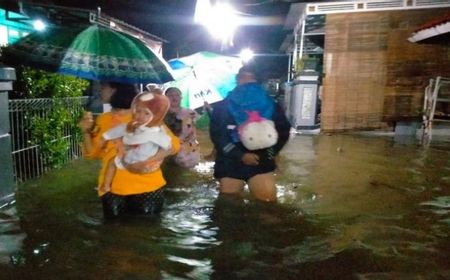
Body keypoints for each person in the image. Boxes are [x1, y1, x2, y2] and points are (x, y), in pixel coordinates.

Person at [79, 82, 180, 218]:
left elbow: (173, 146)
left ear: (115, 90)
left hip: (146, 186)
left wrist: (146, 161)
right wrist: (86, 131)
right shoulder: (104, 119)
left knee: (134, 232)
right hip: (114, 187)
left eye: (104, 87)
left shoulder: (147, 117)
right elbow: (93, 154)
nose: (100, 91)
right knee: (122, 230)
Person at [209, 65, 291, 202]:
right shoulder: (223, 107)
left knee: (266, 203)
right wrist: (240, 155)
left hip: (259, 162)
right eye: (243, 78)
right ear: (237, 80)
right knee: (230, 203)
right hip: (231, 163)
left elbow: (283, 131)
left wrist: (269, 155)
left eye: (251, 79)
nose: (247, 83)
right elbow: (218, 136)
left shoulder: (272, 105)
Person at [101, 89, 172, 192]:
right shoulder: (132, 125)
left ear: (156, 116)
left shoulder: (156, 132)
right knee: (112, 162)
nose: (141, 116)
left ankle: (107, 186)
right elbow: (119, 130)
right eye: (138, 111)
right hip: (131, 157)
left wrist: (151, 160)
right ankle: (106, 185)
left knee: (114, 162)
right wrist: (105, 137)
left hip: (144, 162)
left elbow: (169, 148)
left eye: (147, 114)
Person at [164, 87, 201, 168]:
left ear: (181, 97)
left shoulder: (190, 112)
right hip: (167, 147)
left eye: (177, 95)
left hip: (187, 148)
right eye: (171, 95)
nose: (174, 97)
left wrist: (208, 109)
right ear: (165, 97)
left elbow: (199, 126)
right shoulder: (161, 113)